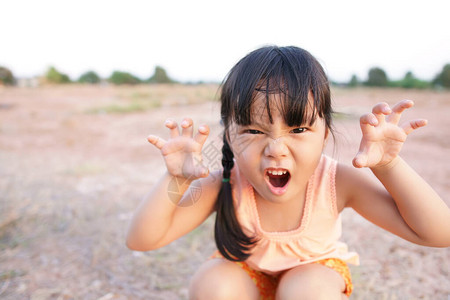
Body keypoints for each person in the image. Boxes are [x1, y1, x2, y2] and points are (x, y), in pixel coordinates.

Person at [126, 46, 450, 299]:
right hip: (247, 285)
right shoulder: (227, 182)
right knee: (214, 283)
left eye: (297, 128)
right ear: (229, 136)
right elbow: (142, 240)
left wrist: (388, 166)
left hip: (312, 284)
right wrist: (177, 178)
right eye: (253, 131)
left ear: (325, 132)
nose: (276, 148)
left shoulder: (336, 181)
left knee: (307, 290)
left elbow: (438, 233)